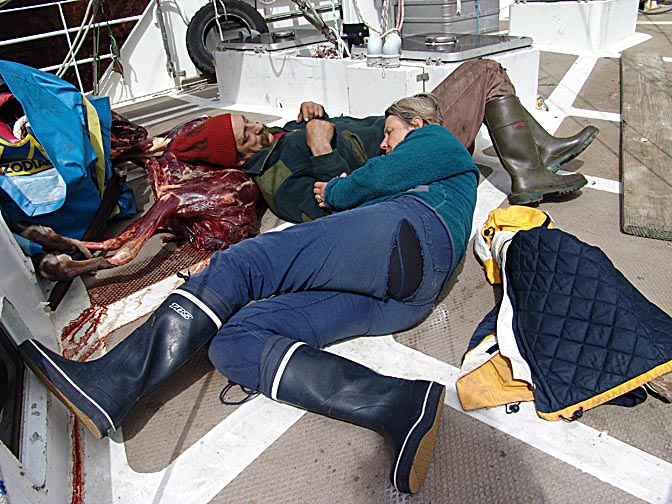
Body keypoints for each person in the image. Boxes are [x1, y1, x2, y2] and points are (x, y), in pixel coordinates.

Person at [19, 93, 479, 494]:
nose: (384, 142)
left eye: (391, 132)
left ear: (416, 124)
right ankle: (398, 406)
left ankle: (111, 383)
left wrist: (336, 188)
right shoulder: (430, 160)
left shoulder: (435, 139)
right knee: (235, 343)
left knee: (242, 263)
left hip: (407, 233)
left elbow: (360, 188)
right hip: (405, 296)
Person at [172, 58, 597, 223]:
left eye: (246, 120)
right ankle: (528, 170)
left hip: (409, 124)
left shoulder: (279, 136)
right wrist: (321, 150)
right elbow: (334, 206)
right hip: (419, 143)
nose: (255, 128)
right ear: (237, 157)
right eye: (245, 134)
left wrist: (315, 115)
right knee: (486, 73)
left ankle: (540, 151)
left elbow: (331, 133)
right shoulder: (277, 182)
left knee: (486, 75)